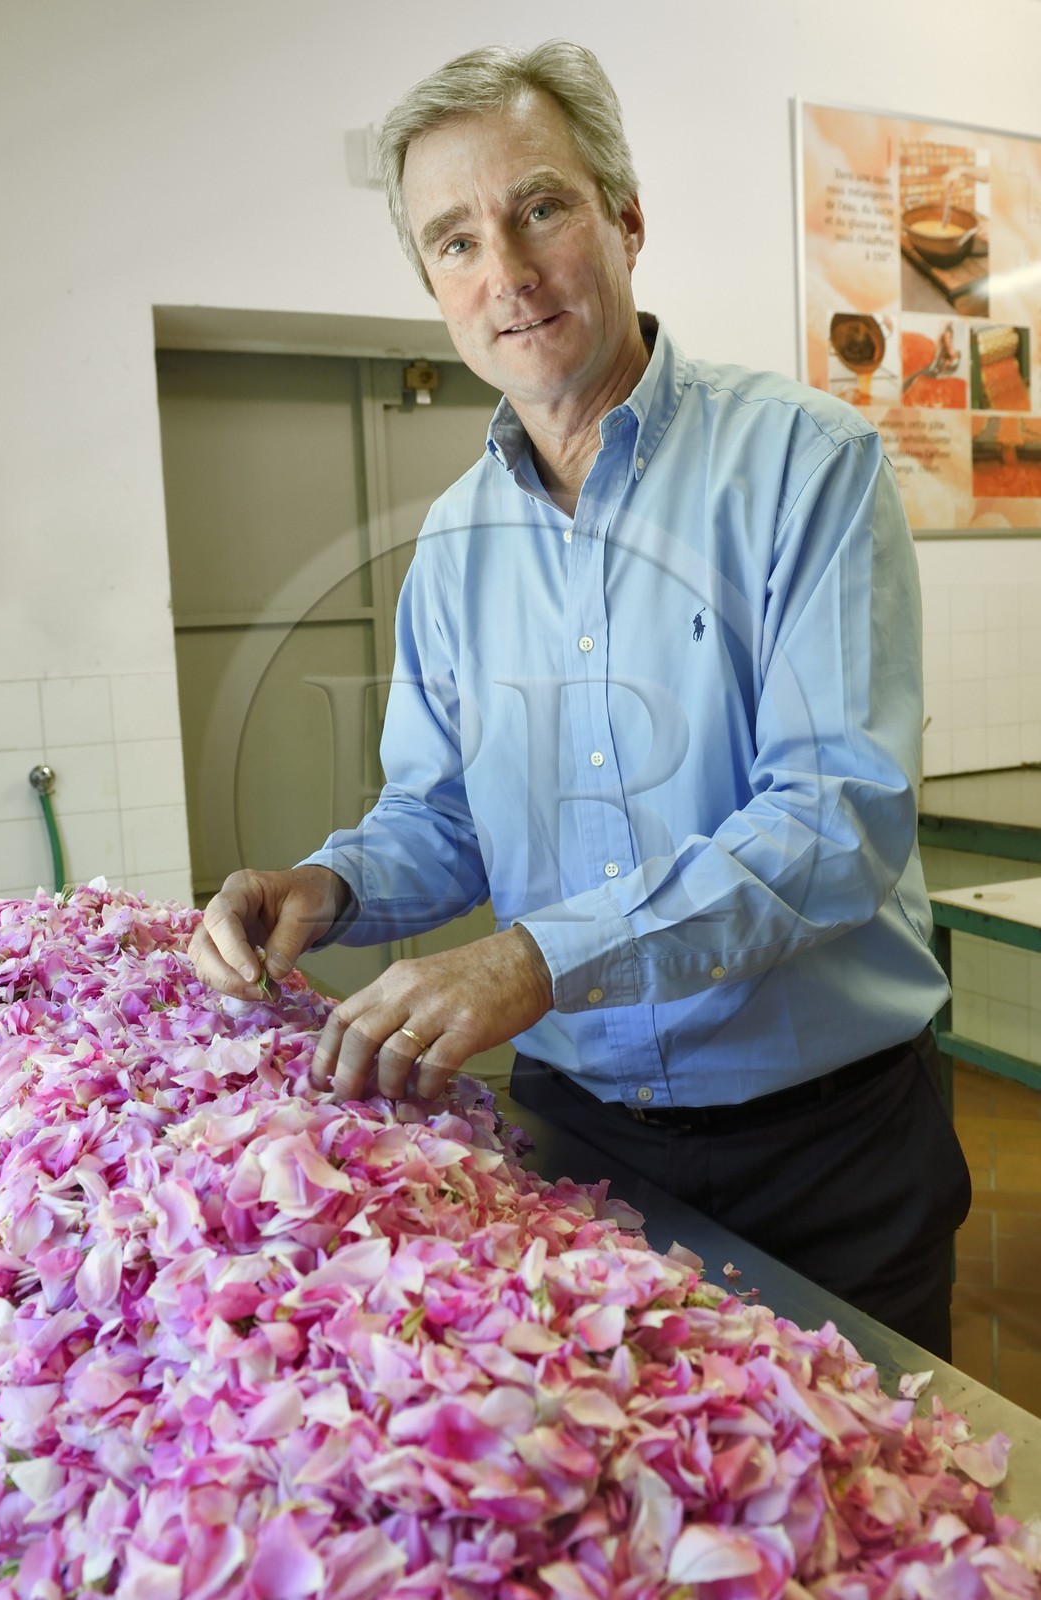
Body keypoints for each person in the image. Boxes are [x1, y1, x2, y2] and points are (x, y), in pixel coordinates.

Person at [189, 41, 970, 1356]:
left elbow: (840, 816)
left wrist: (542, 958)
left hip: (833, 1152)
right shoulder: (448, 545)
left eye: (538, 207)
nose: (504, 270)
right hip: (580, 1148)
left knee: (870, 1530)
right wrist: (329, 887)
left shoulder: (803, 463)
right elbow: (442, 815)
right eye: (454, 241)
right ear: (433, 288)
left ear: (626, 216)